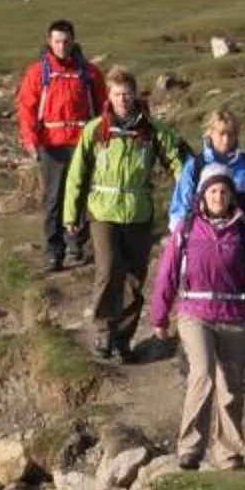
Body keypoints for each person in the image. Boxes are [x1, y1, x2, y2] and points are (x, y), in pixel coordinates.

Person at [148, 161, 245, 469]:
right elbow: (167, 273)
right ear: (202, 196)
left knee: (232, 385)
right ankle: (190, 448)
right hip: (195, 312)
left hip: (236, 314)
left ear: (231, 195)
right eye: (212, 191)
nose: (218, 196)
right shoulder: (187, 229)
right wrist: (159, 316)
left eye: (223, 191)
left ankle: (228, 452)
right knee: (203, 373)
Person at [63, 68, 179, 361]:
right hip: (103, 212)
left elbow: (178, 162)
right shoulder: (96, 130)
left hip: (138, 214)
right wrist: (71, 214)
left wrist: (192, 196)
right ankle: (104, 330)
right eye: (117, 94)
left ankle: (123, 338)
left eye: (128, 93)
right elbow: (77, 173)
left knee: (135, 278)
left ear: (136, 94)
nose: (123, 100)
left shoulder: (152, 131)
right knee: (108, 267)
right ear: (109, 96)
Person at [15, 21, 104, 272]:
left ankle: (76, 243)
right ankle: (54, 250)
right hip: (51, 145)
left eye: (66, 41)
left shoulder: (89, 73)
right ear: (49, 41)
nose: (62, 47)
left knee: (80, 196)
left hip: (81, 142)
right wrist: (30, 140)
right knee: (54, 199)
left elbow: (103, 107)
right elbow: (27, 108)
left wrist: (104, 139)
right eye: (57, 41)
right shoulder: (38, 73)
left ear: (74, 41)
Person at [167, 106, 245, 241]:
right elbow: (179, 210)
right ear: (210, 133)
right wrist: (182, 242)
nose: (226, 140)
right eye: (221, 134)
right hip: (203, 242)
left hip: (240, 242)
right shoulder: (196, 165)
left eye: (230, 134)